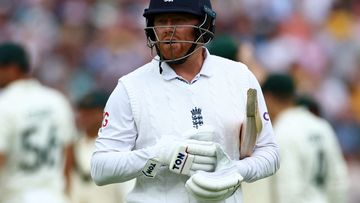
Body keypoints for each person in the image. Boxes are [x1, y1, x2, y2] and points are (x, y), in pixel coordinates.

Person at [90, 1, 279, 202]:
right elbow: (101, 168)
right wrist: (158, 155)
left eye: (179, 21)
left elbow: (270, 153)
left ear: (204, 25)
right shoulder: (130, 88)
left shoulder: (239, 76)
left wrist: (235, 170)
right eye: (162, 22)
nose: (168, 30)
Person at [243, 73, 348, 203]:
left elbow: (289, 192)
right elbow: (339, 181)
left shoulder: (281, 132)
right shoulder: (322, 125)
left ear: (268, 98)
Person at [0, 41, 76, 203]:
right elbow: (68, 153)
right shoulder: (56, 100)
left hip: (17, 196)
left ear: (12, 68)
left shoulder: (4, 105)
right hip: (55, 197)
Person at [69, 90, 135, 203]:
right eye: (82, 112)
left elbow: (127, 189)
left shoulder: (116, 146)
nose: (85, 117)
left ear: (105, 114)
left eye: (91, 113)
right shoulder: (72, 147)